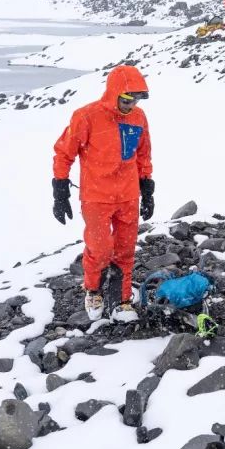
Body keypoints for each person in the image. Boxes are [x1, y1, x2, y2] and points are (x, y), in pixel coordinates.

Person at [52, 64, 154, 323]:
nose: (130, 105)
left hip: (128, 195)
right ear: (113, 93)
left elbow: (143, 153)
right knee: (100, 248)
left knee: (125, 249)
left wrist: (147, 187)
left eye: (135, 100)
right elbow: (65, 153)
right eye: (126, 99)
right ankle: (94, 290)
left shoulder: (138, 118)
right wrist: (60, 190)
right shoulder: (86, 116)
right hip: (96, 196)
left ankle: (121, 300)